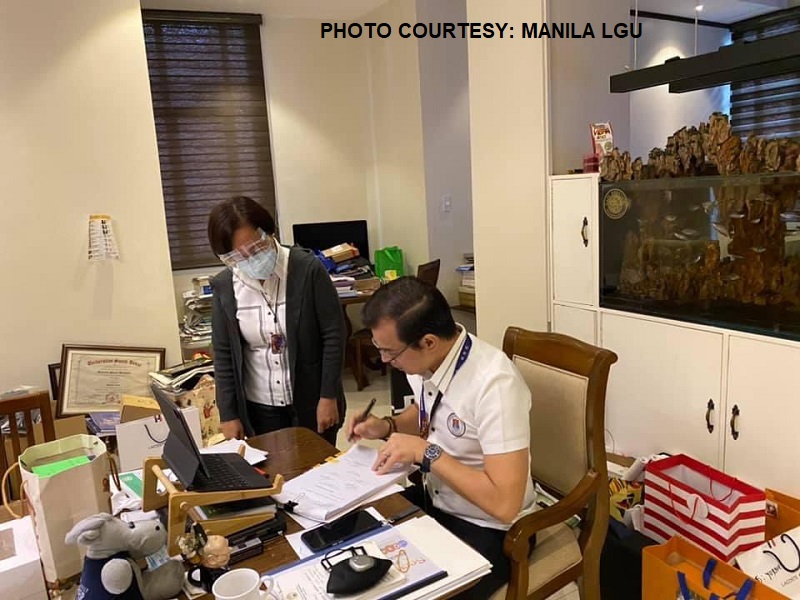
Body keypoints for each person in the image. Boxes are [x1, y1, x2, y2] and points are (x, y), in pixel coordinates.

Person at [346, 277, 536, 599]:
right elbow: (431, 414)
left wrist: (426, 453)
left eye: (390, 352)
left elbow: (505, 505)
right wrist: (387, 426)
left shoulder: (495, 385)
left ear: (429, 341)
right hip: (438, 503)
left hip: (492, 528)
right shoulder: (426, 362)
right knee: (350, 541)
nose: (385, 361)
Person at [208, 196, 346, 445]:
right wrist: (228, 413)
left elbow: (333, 335)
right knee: (274, 476)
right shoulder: (225, 286)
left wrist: (328, 395)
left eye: (256, 248)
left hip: (312, 400)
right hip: (260, 406)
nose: (250, 260)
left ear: (269, 232)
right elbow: (223, 353)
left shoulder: (307, 270)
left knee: (319, 475)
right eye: (237, 257)